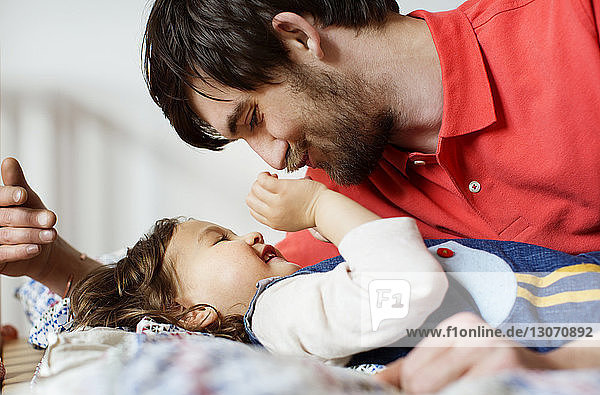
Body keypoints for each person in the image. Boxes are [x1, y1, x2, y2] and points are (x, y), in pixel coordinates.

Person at [139, 0, 600, 265]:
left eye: (254, 119)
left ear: (298, 37)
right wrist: (70, 272)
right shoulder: (339, 193)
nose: (275, 161)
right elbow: (226, 290)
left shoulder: (574, 23)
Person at [69, 172, 600, 383]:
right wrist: (322, 206)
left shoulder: (302, 295)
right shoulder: (277, 313)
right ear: (192, 316)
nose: (250, 236)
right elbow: (404, 289)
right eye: (220, 241)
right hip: (565, 318)